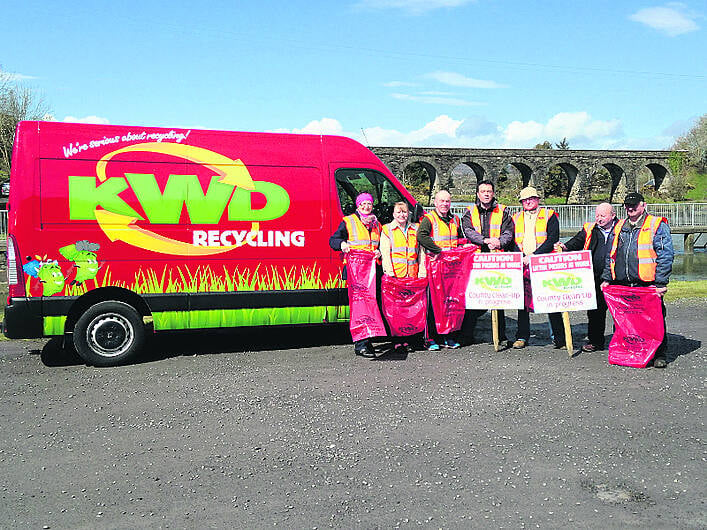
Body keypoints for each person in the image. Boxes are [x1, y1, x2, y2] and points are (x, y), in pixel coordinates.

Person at [600, 192, 674, 368]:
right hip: (623, 284)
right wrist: (606, 278)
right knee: (623, 320)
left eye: (634, 205)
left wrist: (661, 282)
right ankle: (629, 351)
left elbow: (666, 255)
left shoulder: (656, 225)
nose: (630, 208)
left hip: (647, 284)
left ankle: (659, 354)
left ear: (643, 205)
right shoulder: (618, 227)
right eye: (627, 205)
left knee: (654, 320)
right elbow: (610, 255)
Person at [556, 203, 618, 352]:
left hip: (616, 277)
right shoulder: (590, 228)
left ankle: (620, 342)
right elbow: (577, 241)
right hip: (595, 276)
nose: (599, 219)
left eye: (603, 216)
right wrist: (565, 247)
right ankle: (595, 341)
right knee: (595, 312)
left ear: (613, 215)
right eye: (597, 215)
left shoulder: (622, 228)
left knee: (618, 312)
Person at [460, 179, 514, 349]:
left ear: (493, 193)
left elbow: (509, 231)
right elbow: (468, 231)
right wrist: (485, 240)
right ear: (478, 194)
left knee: (498, 298)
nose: (486, 194)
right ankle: (467, 334)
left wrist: (499, 242)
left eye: (489, 191)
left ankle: (501, 335)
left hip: (497, 259)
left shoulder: (503, 211)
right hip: (475, 260)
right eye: (483, 191)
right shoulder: (469, 212)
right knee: (473, 297)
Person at [511, 186, 566, 349]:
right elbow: (512, 241)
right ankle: (521, 336)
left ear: (538, 199)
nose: (528, 201)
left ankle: (558, 337)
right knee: (522, 302)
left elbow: (552, 239)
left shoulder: (549, 215)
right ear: (521, 202)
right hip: (523, 263)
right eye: (525, 199)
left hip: (544, 263)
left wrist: (534, 256)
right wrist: (522, 257)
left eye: (532, 198)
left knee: (551, 299)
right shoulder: (515, 218)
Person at [329, 192, 382, 356]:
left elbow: (379, 244)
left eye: (369, 204)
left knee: (372, 305)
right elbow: (333, 240)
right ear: (358, 206)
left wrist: (379, 252)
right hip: (356, 272)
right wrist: (343, 244)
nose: (366, 207)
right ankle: (361, 344)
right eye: (363, 204)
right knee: (359, 307)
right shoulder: (348, 222)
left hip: (372, 272)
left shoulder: (377, 224)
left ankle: (369, 340)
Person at [417, 189, 462, 350]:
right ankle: (430, 338)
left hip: (452, 269)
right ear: (435, 203)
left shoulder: (455, 219)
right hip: (434, 267)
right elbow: (421, 236)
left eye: (447, 201)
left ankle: (448, 336)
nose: (444, 204)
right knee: (432, 304)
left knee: (449, 304)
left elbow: (460, 239)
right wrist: (437, 250)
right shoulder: (429, 219)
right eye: (441, 201)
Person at [380, 201, 426, 353]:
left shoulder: (416, 229)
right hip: (396, 277)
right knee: (397, 310)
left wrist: (422, 271)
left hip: (412, 275)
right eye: (398, 212)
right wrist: (389, 272)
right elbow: (385, 253)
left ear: (409, 214)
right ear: (393, 214)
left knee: (412, 310)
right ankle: (398, 340)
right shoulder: (387, 230)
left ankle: (412, 340)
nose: (402, 215)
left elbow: (421, 252)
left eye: (404, 212)